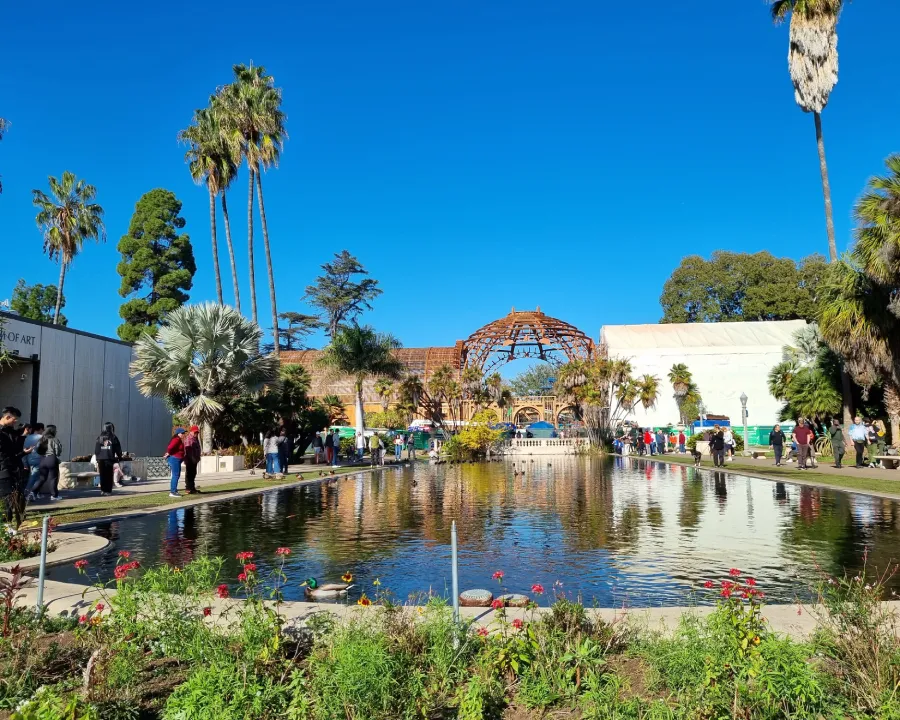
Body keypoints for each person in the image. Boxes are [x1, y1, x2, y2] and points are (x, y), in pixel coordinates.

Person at [0, 408, 23, 522]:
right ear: (7, 417)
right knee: (6, 501)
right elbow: (7, 453)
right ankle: (5, 526)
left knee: (11, 500)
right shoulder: (2, 433)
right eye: (14, 419)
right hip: (4, 470)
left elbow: (15, 451)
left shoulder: (10, 432)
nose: (16, 422)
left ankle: (8, 524)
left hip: (12, 470)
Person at [34, 425, 63, 501]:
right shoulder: (54, 439)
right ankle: (54, 495)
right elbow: (58, 450)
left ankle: (34, 492)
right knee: (53, 478)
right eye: (55, 430)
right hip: (51, 458)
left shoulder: (41, 439)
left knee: (42, 478)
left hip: (43, 459)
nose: (56, 431)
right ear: (52, 431)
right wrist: (57, 455)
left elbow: (37, 449)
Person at [95, 422, 123, 496]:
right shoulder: (113, 437)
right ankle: (108, 490)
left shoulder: (100, 437)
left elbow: (97, 449)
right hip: (109, 458)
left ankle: (103, 490)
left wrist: (97, 457)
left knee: (102, 475)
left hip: (100, 458)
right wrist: (120, 457)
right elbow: (118, 448)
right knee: (108, 475)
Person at [22, 423, 44, 498]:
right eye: (43, 429)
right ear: (40, 429)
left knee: (35, 476)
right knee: (34, 476)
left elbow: (25, 448)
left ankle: (36, 493)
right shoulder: (41, 437)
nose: (43, 431)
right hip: (39, 458)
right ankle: (27, 493)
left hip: (29, 458)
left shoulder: (28, 437)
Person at [163, 428, 186, 498]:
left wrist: (169, 453)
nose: (183, 434)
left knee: (176, 475)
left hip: (176, 459)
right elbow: (170, 447)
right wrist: (169, 453)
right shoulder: (176, 439)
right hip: (175, 459)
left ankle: (174, 491)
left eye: (184, 433)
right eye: (182, 433)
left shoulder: (178, 439)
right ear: (178, 433)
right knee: (175, 475)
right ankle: (172, 492)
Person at [183, 425, 202, 493]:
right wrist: (189, 459)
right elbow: (187, 450)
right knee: (189, 474)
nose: (196, 434)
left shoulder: (195, 439)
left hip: (194, 459)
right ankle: (188, 488)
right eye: (195, 432)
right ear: (191, 432)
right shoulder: (189, 439)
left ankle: (192, 488)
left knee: (193, 473)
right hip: (190, 459)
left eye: (197, 432)